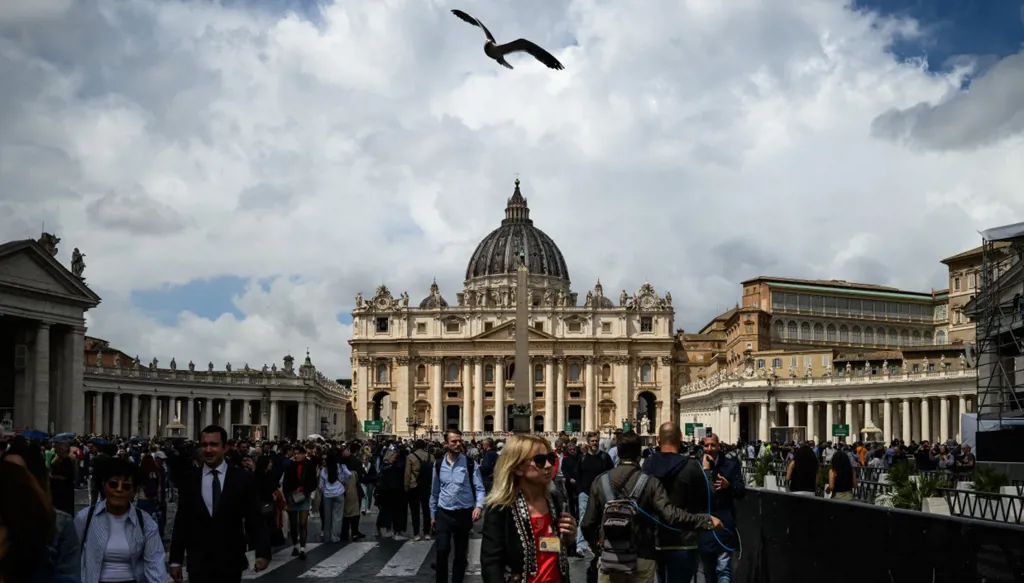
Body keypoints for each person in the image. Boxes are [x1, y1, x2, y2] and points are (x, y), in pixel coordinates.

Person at [581, 431, 722, 583]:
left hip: (610, 557)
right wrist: (705, 520)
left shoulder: (600, 482)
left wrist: (598, 547)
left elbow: (587, 523)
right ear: (639, 454)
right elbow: (671, 515)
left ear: (618, 452)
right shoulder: (650, 482)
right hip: (642, 556)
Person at [169, 425, 270, 583]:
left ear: (226, 447)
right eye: (204, 445)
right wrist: (175, 560)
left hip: (230, 560)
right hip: (198, 561)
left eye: (214, 445)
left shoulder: (242, 478)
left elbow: (254, 518)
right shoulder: (190, 479)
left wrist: (262, 552)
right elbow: (182, 521)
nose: (208, 450)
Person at [480, 434, 576, 583]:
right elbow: (491, 565)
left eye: (551, 458)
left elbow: (558, 551)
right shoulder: (500, 509)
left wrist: (569, 538)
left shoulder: (555, 500)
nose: (548, 465)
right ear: (518, 467)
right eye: (539, 461)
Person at [76, 457, 167, 583]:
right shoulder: (85, 517)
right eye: (113, 484)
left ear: (134, 491)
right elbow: (72, 559)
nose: (119, 490)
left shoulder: (145, 522)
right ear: (104, 485)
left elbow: (155, 564)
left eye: (126, 486)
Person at [641, 423, 709, 583]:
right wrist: (706, 471)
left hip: (656, 539)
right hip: (684, 539)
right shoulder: (691, 466)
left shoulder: (648, 465)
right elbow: (707, 497)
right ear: (680, 438)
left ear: (658, 439)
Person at [430, 429, 486, 583]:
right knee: (442, 550)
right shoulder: (438, 464)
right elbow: (434, 492)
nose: (458, 444)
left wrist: (479, 506)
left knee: (461, 554)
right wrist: (432, 514)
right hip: (444, 513)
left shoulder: (469, 463)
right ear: (446, 443)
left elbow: (480, 488)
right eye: (454, 441)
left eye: (459, 441)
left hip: (464, 513)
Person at [697, 433, 745, 583]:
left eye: (713, 445)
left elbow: (741, 491)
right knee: (709, 570)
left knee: (724, 569)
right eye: (706, 445)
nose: (709, 448)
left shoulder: (730, 464)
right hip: (705, 523)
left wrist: (728, 486)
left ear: (718, 446)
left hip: (724, 524)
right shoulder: (696, 466)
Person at [281, 445, 318, 557]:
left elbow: (313, 482)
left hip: (304, 496)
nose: (296, 456)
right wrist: (289, 494)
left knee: (303, 523)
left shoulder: (309, 465)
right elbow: (285, 480)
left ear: (303, 454)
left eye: (299, 453)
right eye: (295, 453)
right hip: (292, 496)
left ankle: (302, 547)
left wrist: (305, 489)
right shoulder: (290, 465)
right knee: (293, 523)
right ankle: (295, 545)